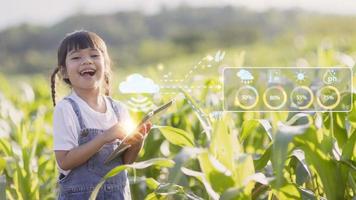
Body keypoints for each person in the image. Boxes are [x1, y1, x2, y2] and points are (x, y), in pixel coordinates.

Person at [50, 30, 151, 199]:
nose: (87, 61)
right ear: (64, 72)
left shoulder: (119, 110)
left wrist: (137, 143)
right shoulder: (66, 110)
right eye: (76, 57)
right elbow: (64, 161)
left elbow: (125, 163)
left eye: (94, 55)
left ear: (106, 65)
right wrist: (105, 137)